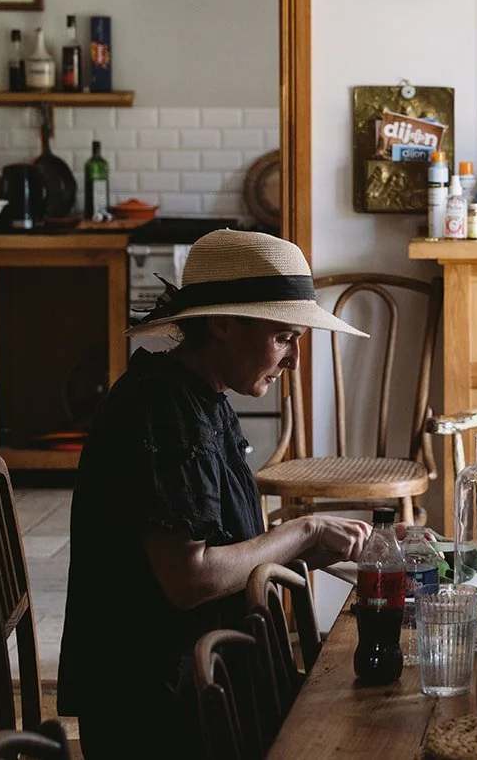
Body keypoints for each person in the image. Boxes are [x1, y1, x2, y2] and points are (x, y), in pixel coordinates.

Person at [58, 230, 375, 759]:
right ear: (222, 324)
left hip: (202, 673)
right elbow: (192, 579)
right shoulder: (163, 412)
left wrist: (318, 549)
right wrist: (304, 530)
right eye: (284, 338)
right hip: (156, 706)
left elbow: (228, 550)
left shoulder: (198, 397)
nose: (294, 360)